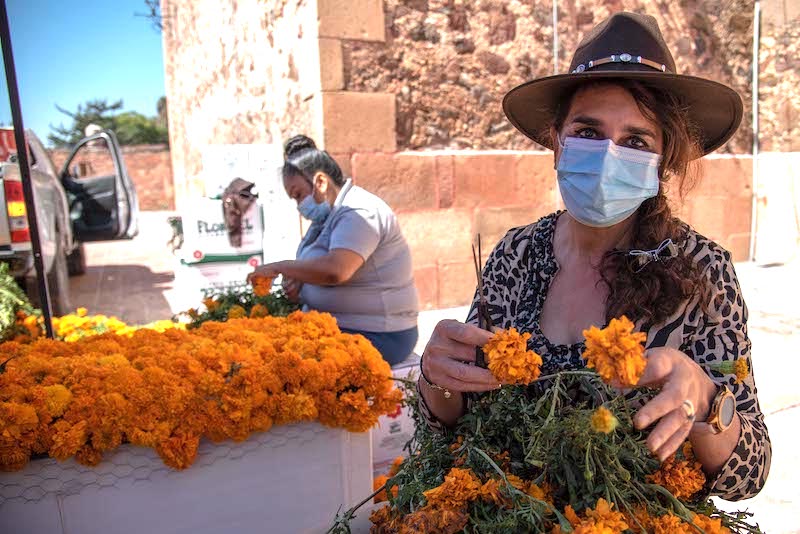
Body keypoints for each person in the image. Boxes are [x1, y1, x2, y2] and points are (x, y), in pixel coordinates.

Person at [417, 12, 770, 501]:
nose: (607, 156)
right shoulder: (514, 256)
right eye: (587, 132)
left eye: (635, 141)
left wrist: (707, 399)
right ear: (556, 143)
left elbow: (750, 474)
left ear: (662, 160)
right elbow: (451, 423)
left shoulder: (702, 272)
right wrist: (437, 378)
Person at [249, 135, 419, 366]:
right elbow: (316, 269)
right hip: (335, 325)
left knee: (281, 364)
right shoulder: (327, 218)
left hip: (379, 335)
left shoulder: (360, 210)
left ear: (320, 182)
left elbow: (336, 270)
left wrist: (279, 267)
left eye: (299, 195)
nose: (299, 206)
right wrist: (299, 285)